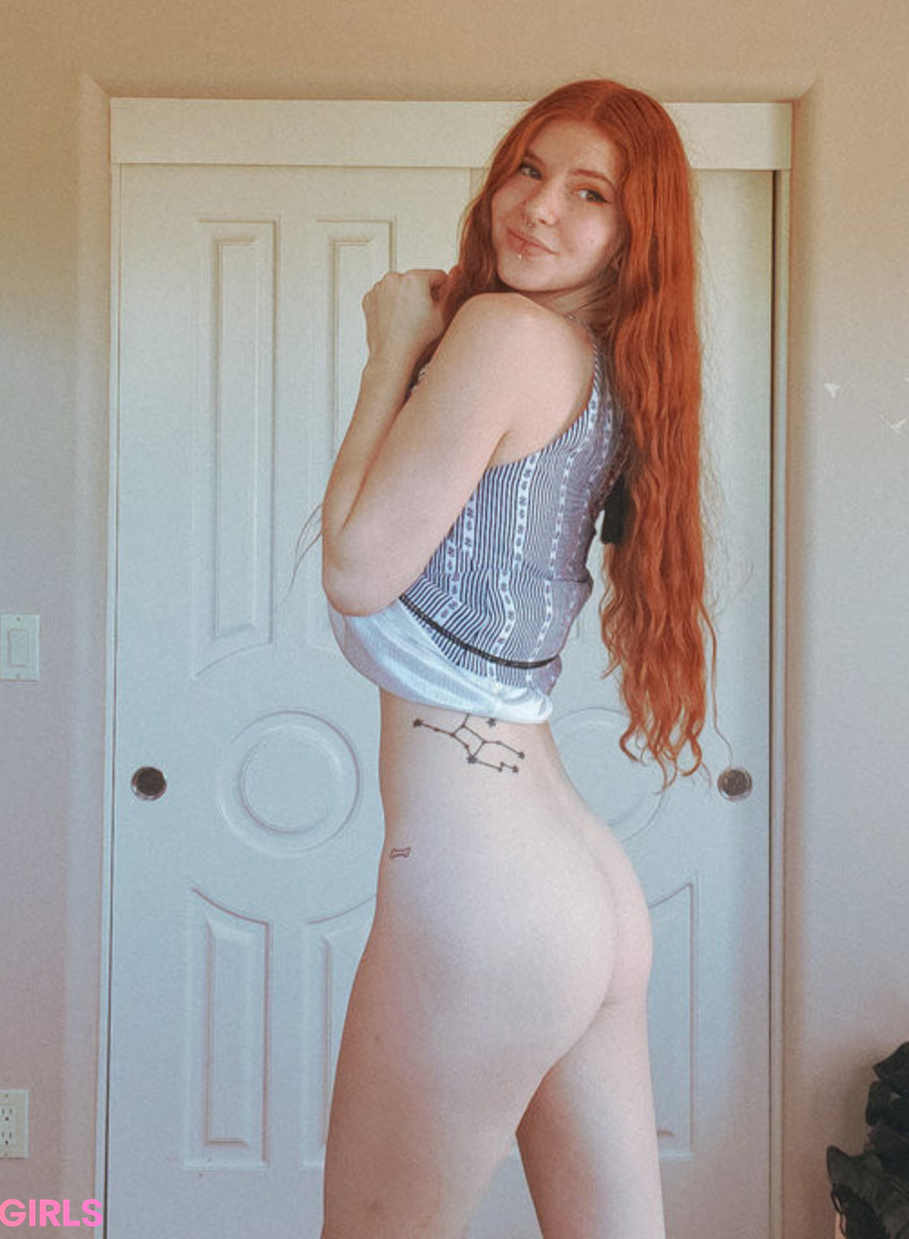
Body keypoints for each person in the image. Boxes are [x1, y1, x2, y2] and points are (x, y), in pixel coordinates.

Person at [320, 79, 712, 1239]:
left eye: (591, 193)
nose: (538, 207)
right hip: (579, 890)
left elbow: (356, 569)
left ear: (635, 234)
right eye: (530, 170)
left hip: (484, 896)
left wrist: (391, 350)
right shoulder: (599, 366)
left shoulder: (502, 336)